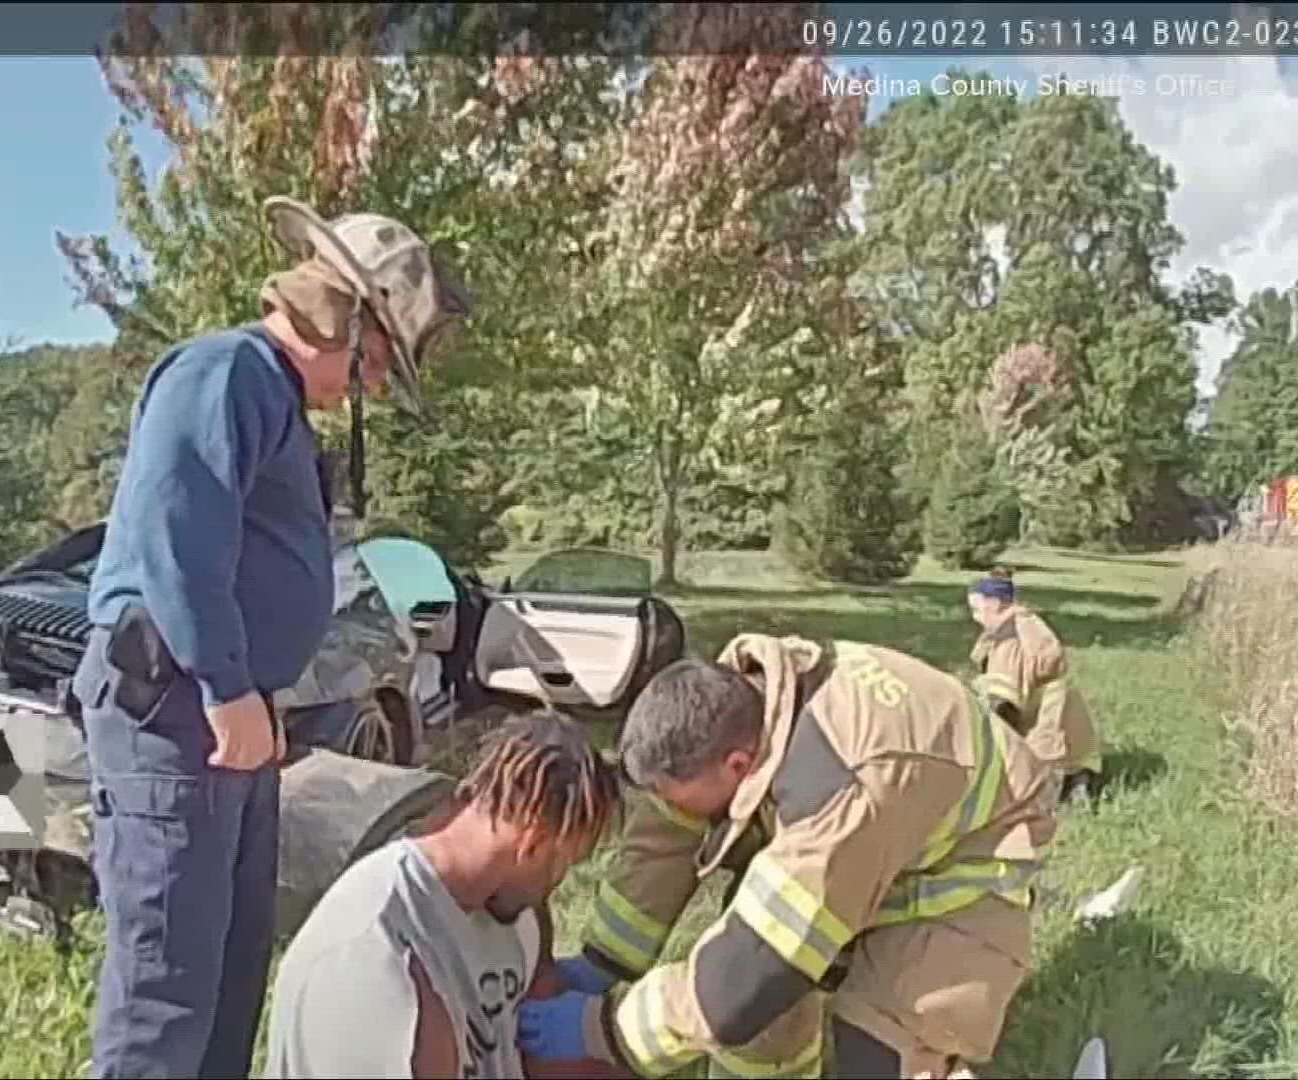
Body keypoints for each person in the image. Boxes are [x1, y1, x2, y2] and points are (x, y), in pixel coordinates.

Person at [72, 195, 472, 1079]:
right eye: (371, 364)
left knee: (227, 975)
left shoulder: (275, 403)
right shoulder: (229, 375)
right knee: (165, 998)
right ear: (343, 320)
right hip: (175, 710)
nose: (364, 387)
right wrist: (224, 687)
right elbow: (178, 533)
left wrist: (258, 699)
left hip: (224, 724)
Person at [524, 635, 1060, 1079]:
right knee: (764, 1012)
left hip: (968, 852)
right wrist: (604, 963)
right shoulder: (736, 705)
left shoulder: (840, 790)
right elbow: (667, 837)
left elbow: (756, 969)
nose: (670, 812)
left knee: (877, 1052)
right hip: (887, 816)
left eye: (675, 797)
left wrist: (603, 1028)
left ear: (738, 765)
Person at [261, 710, 624, 1079]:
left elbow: (550, 1055)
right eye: (561, 863)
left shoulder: (519, 915)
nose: (557, 881)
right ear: (532, 843)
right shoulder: (381, 950)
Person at [968, 566, 1103, 804]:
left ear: (995, 604)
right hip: (1068, 715)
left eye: (976, 609)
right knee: (1069, 753)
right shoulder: (1029, 623)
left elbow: (1002, 704)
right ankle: (1077, 786)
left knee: (1034, 770)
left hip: (1043, 720)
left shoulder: (1008, 642)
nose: (974, 617)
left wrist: (985, 748)